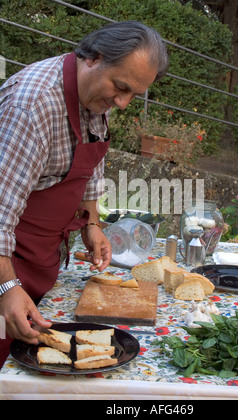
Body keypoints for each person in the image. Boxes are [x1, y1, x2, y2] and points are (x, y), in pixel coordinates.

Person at [0, 20, 168, 367]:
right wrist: (6, 288)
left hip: (41, 261)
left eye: (134, 94)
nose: (122, 103)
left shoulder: (94, 97)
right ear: (95, 57)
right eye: (121, 87)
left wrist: (91, 223)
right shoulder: (32, 106)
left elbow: (90, 163)